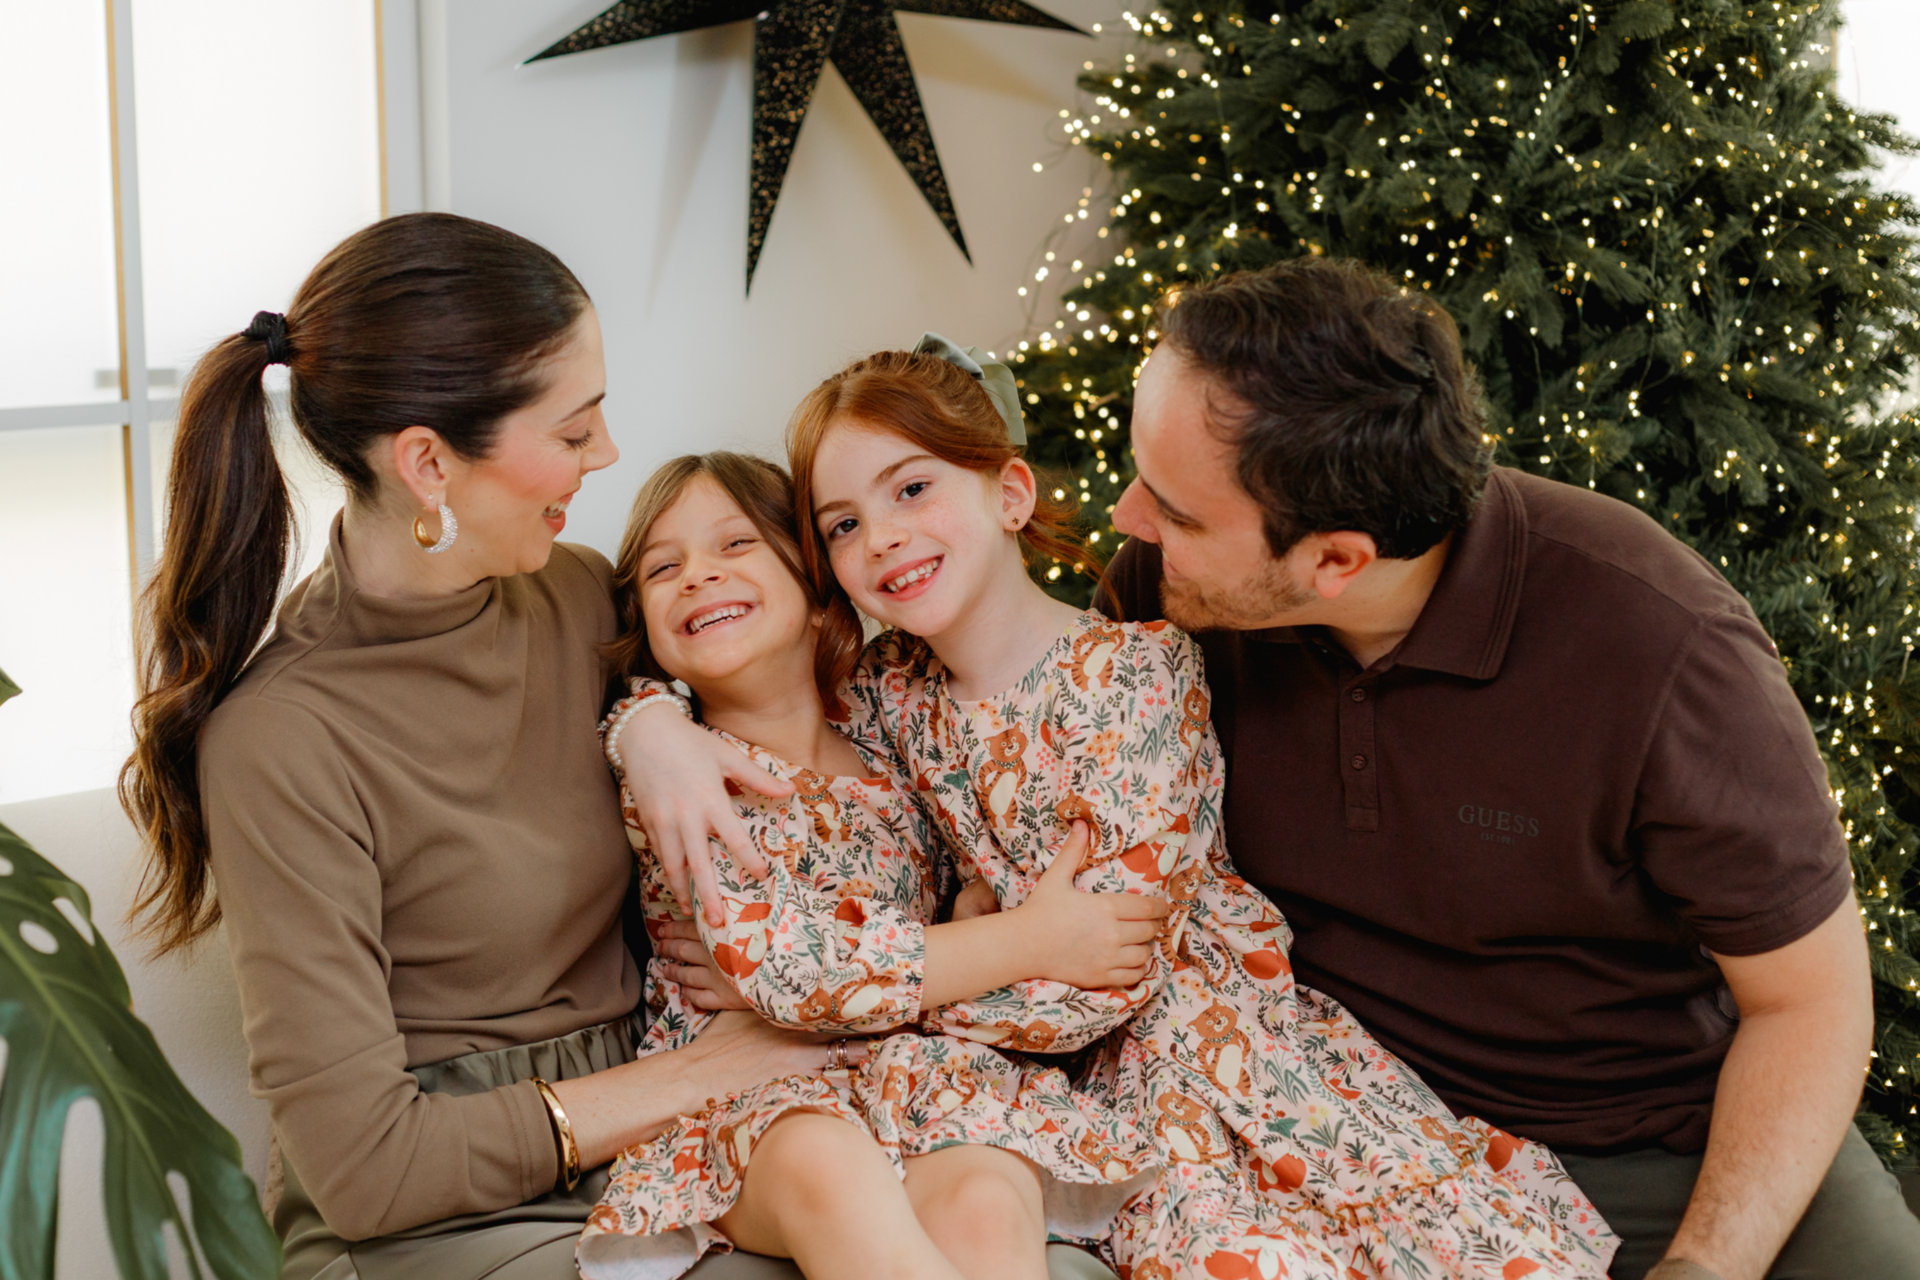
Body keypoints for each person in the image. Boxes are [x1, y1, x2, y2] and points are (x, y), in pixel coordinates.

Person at [617, 340, 1619, 1278]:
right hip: (1066, 1081)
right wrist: (648, 726)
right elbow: (777, 732)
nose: (881, 538)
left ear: (1011, 491)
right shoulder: (887, 690)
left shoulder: (1138, 673)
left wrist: (859, 997)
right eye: (841, 524)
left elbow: (1111, 964)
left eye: (913, 489)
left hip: (1208, 1042)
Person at [1092, 259, 1920, 1280]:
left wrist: (1707, 1264)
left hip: (1650, 1144)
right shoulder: (1168, 598)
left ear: (1336, 561)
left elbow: (1813, 999)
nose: (1129, 518)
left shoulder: (1662, 646)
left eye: (1174, 511)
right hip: (1328, 1120)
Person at [118, 213, 844, 1280]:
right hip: (432, 1216)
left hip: (660, 1146)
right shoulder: (280, 739)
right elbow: (370, 1169)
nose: (606, 453)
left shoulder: (578, 595)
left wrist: (651, 722)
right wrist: (714, 1070)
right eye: (573, 427)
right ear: (428, 464)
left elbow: (782, 694)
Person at [575, 452, 1158, 1280]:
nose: (698, 577)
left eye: (734, 546)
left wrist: (971, 915)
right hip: (752, 1090)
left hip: (917, 1073)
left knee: (989, 1196)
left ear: (820, 601)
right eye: (663, 568)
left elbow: (976, 860)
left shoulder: (887, 732)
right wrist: (644, 721)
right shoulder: (683, 775)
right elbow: (791, 971)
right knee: (831, 1170)